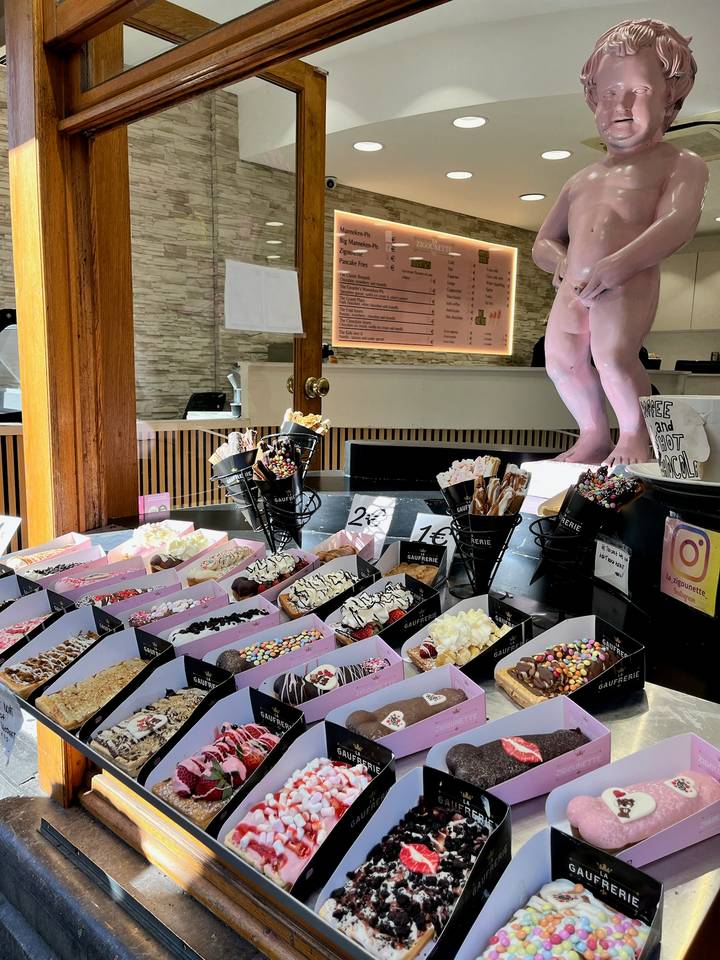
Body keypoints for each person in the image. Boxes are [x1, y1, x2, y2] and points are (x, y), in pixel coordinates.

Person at [532, 20, 708, 466]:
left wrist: (618, 265)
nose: (621, 104)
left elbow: (678, 223)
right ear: (593, 98)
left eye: (638, 90)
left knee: (612, 356)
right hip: (574, 286)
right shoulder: (581, 178)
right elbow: (543, 241)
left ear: (671, 95)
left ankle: (634, 435)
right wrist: (560, 261)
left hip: (626, 280)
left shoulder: (681, 163)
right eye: (609, 93)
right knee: (560, 360)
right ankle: (592, 432)